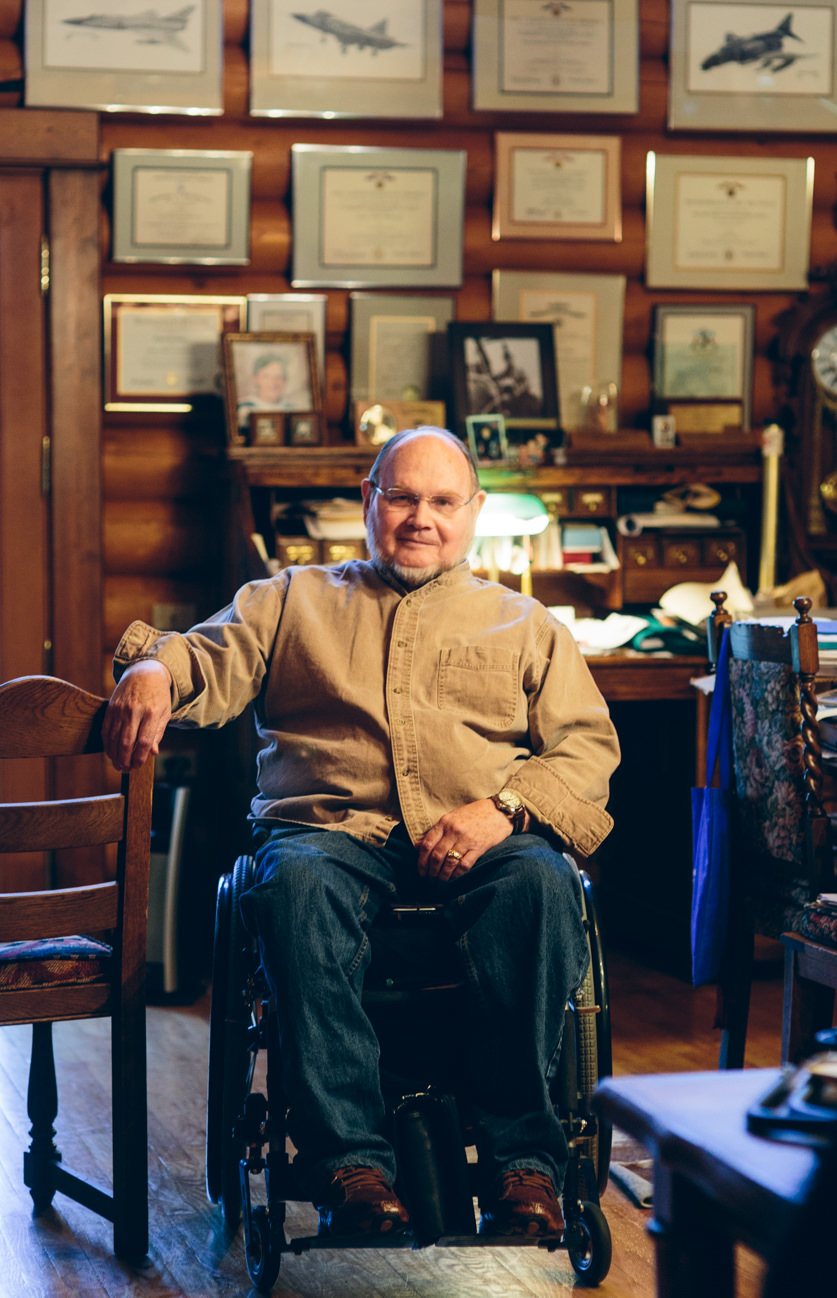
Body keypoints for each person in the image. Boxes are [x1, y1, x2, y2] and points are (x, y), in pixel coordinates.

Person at [102, 426, 620, 1242]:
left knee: (545, 881)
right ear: (369, 500)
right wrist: (153, 669)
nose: (421, 518)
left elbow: (587, 747)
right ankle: (353, 1166)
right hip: (328, 835)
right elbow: (203, 656)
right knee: (294, 884)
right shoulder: (288, 599)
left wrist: (505, 808)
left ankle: (527, 1166)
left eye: (442, 502)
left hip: (483, 839)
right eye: (402, 496)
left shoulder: (523, 625)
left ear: (472, 511)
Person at [236, 352, 294, 430]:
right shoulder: (243, 408)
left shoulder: (292, 410)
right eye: (266, 376)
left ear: (285, 380)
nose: (273, 382)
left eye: (278, 377)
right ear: (255, 378)